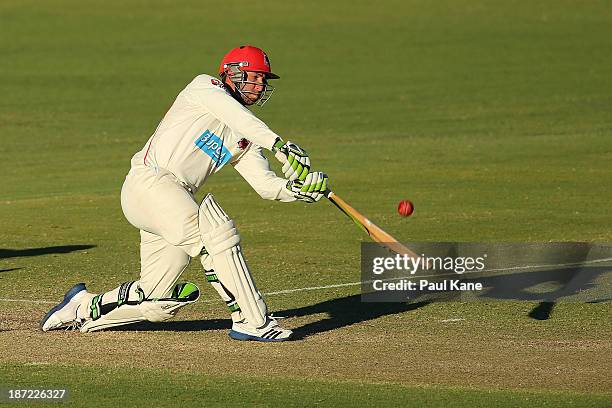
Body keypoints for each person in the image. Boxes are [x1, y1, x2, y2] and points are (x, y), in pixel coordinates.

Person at [40, 45, 329, 342]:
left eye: (263, 80)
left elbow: (266, 185)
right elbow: (238, 116)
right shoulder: (204, 87)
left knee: (156, 300)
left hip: (173, 199)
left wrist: (298, 189)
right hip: (150, 183)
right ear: (232, 73)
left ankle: (82, 306)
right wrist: (279, 144)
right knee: (216, 237)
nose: (259, 86)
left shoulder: (246, 137)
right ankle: (252, 321)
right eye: (254, 77)